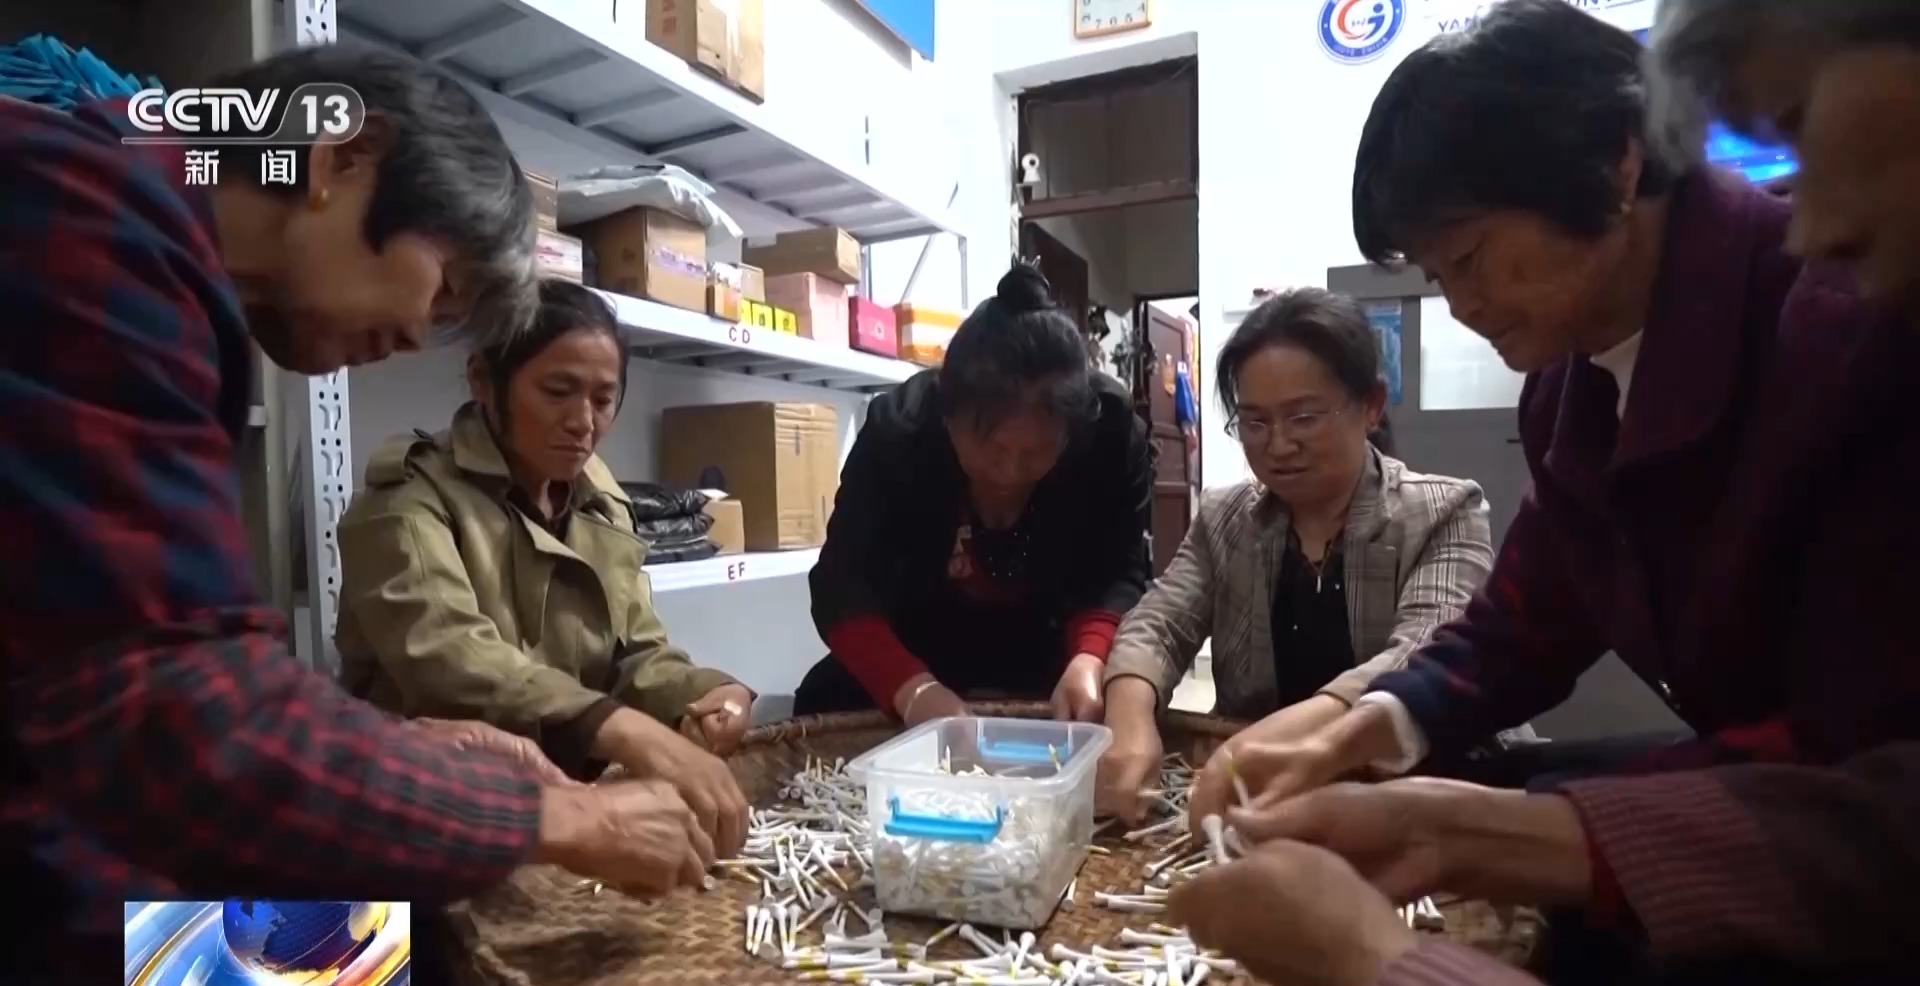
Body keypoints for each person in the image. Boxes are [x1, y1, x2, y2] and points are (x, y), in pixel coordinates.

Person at [1171, 2, 1920, 984]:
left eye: (1471, 257)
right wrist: (1360, 728)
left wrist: (1443, 875)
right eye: (1437, 275)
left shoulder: (1841, 326)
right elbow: (1522, 622)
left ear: (1616, 164)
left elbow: (1855, 750)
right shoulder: (1569, 394)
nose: (1462, 305)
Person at [0, 46, 714, 979]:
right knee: (392, 957)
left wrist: (406, 752)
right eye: (443, 286)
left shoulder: (127, 220)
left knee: (386, 938)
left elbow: (133, 671)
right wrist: (557, 815)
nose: (418, 332)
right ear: (341, 158)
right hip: (36, 883)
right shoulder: (84, 228)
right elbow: (179, 713)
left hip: (65, 826)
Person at [336, 279, 753, 854]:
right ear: (484, 380)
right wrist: (625, 731)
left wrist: (709, 693)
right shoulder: (408, 503)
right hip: (435, 823)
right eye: (557, 391)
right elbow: (452, 658)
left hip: (571, 814)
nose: (583, 422)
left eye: (603, 400)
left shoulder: (600, 501)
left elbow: (635, 650)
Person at [1098, 288, 1495, 821]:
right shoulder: (1225, 518)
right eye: (1255, 422)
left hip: (1411, 798)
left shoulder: (1445, 512)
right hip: (1257, 803)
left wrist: (1256, 747)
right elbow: (1158, 624)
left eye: (1304, 417)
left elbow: (1423, 656)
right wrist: (1130, 719)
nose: (1279, 445)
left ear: (1371, 405)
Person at [800, 264, 1152, 724]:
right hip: (917, 644)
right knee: (821, 698)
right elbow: (840, 583)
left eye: (1036, 454)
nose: (1010, 473)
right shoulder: (901, 431)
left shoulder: (1110, 434)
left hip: (1051, 650)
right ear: (947, 417)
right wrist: (911, 689)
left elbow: (1119, 570)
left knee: (1119, 709)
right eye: (992, 449)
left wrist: (1089, 658)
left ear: (1070, 435)